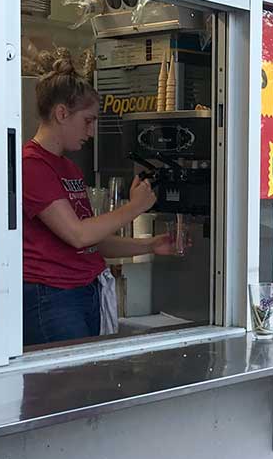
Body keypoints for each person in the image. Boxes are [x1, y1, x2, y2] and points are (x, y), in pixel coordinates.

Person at [23, 55, 178, 347]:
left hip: (84, 291)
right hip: (52, 297)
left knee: (87, 383)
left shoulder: (68, 167)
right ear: (61, 113)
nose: (92, 132)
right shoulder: (32, 165)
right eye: (89, 121)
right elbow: (78, 234)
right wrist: (134, 208)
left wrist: (150, 244)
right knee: (70, 387)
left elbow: (92, 240)